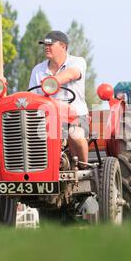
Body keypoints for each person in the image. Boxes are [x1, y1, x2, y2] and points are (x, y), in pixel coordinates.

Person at [29, 30, 89, 167]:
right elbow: (33, 96)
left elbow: (72, 74)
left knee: (75, 135)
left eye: (50, 45)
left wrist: (52, 83)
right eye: (45, 45)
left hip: (76, 116)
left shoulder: (77, 62)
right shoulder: (38, 70)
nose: (46, 47)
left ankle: (82, 167)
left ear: (63, 47)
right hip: (46, 118)